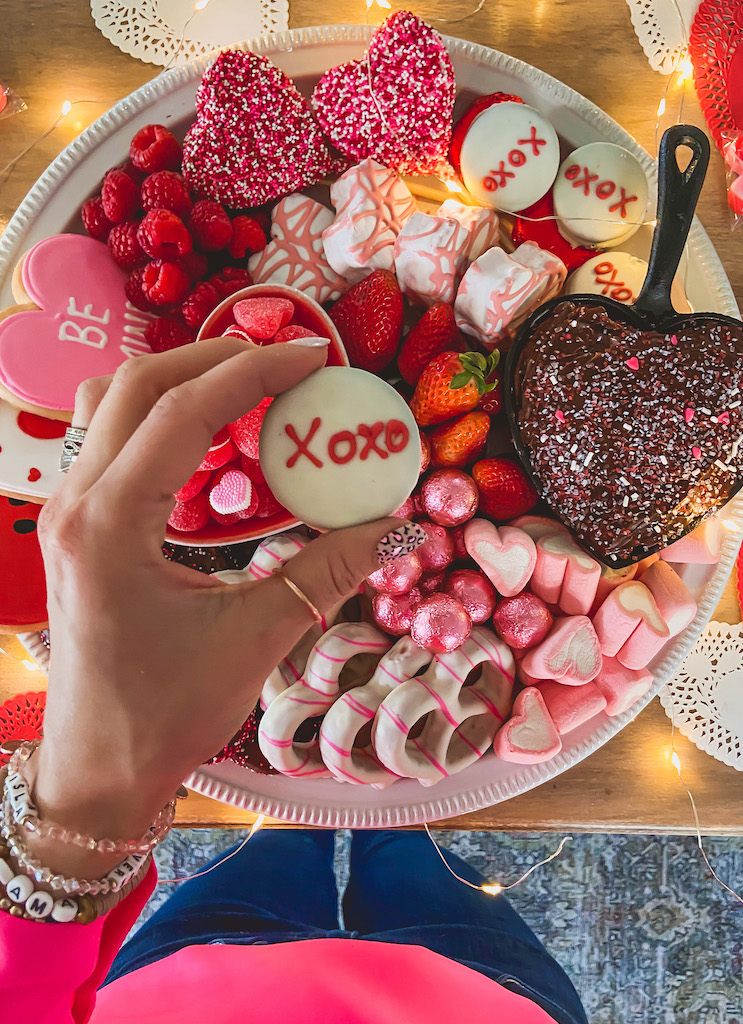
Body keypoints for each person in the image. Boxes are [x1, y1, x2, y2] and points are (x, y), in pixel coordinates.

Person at [0, 337, 588, 1023]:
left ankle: (312, 828)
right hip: (473, 995)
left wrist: (84, 812)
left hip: (192, 982)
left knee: (278, 847)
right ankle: (390, 831)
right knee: (411, 861)